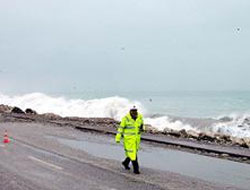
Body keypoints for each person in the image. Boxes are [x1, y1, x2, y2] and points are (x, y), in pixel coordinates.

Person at [115, 106, 144, 174]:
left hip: (136, 139)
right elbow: (120, 129)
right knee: (133, 153)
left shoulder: (139, 116)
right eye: (133, 110)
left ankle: (125, 162)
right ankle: (136, 169)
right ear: (130, 111)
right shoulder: (125, 119)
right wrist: (118, 138)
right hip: (128, 139)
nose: (134, 112)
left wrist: (142, 128)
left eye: (135, 110)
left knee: (132, 152)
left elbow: (142, 124)